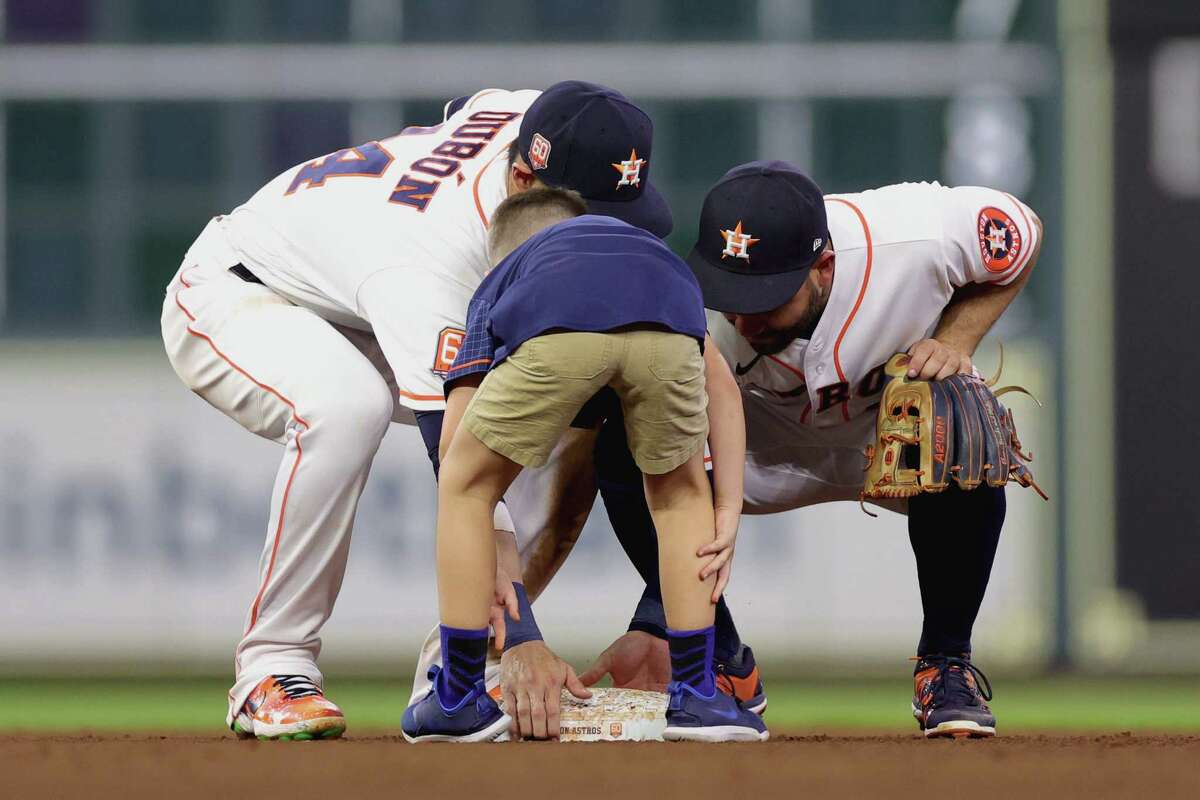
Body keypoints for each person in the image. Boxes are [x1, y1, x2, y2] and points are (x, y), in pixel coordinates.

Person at [160, 81, 674, 740]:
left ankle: (458, 669)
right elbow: (464, 471)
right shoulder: (429, 265)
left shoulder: (536, 121)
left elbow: (479, 110)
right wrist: (523, 635)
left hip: (358, 293)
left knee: (566, 415)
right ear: (522, 180)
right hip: (242, 291)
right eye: (586, 218)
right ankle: (270, 667)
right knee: (347, 405)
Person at [561, 162, 1044, 740]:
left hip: (889, 440)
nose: (742, 315)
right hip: (754, 450)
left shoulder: (917, 237)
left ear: (823, 268)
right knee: (626, 437)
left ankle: (946, 665)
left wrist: (955, 339)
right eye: (730, 292)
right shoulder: (690, 305)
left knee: (961, 416)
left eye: (764, 298)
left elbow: (1024, 231)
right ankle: (721, 659)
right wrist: (657, 612)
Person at [400, 189, 766, 743]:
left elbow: (457, 443)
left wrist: (485, 531)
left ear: (502, 253)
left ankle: (456, 698)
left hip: (558, 329)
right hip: (669, 321)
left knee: (463, 486)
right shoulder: (647, 255)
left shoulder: (508, 275)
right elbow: (726, 395)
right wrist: (729, 504)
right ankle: (696, 698)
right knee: (678, 496)